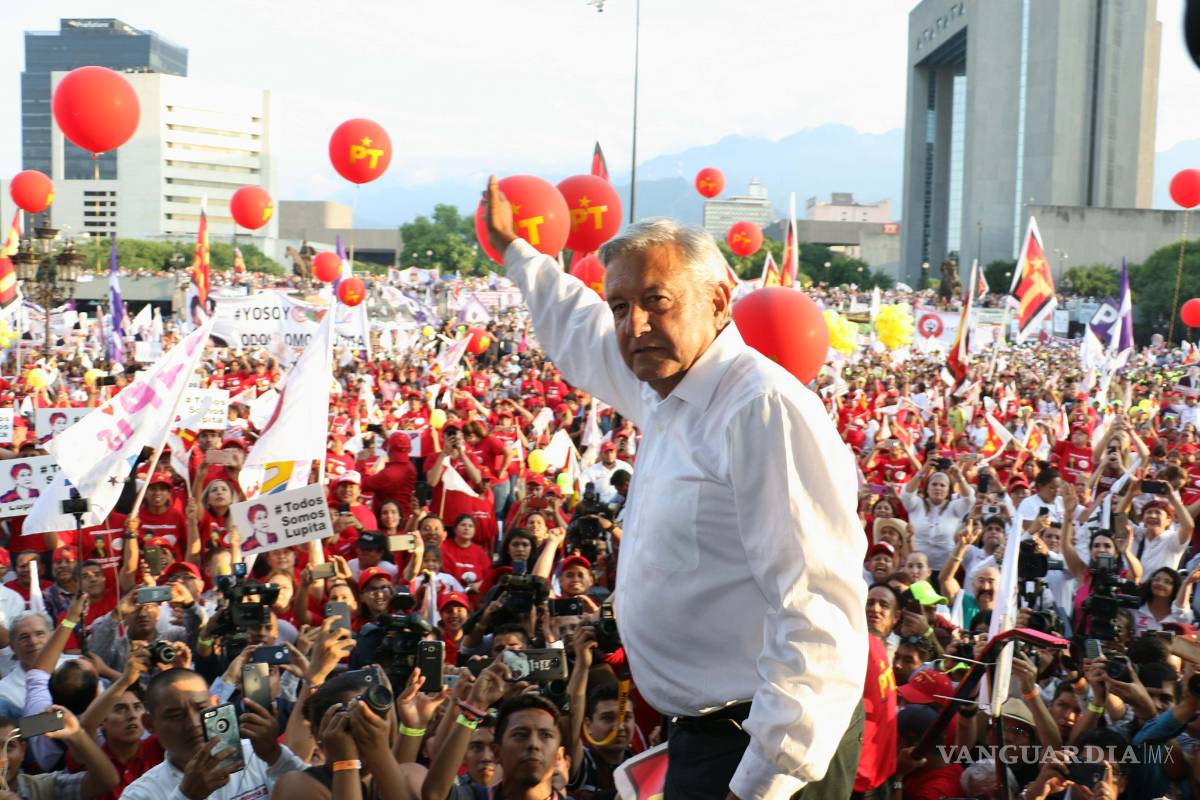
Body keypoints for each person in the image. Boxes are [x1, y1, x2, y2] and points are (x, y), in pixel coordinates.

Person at [486, 191, 866, 799]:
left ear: (718, 301)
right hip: (711, 737)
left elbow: (816, 608)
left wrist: (764, 781)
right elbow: (579, 327)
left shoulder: (759, 409)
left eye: (656, 301)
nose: (633, 325)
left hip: (763, 747)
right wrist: (514, 248)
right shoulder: (666, 387)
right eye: (620, 306)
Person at [121, 669, 306, 800]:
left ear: (216, 704)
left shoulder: (258, 755)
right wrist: (186, 797)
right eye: (175, 716)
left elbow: (317, 791)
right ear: (150, 724)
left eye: (201, 709)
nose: (193, 724)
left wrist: (276, 756)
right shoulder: (140, 794)